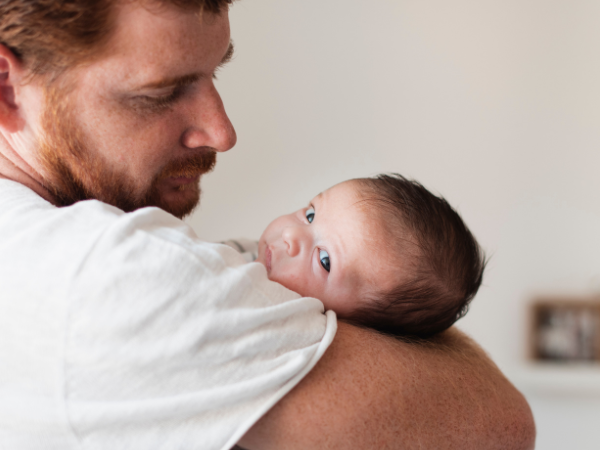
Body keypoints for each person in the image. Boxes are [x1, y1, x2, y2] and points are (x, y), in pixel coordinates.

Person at [0, 1, 535, 449]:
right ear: (6, 87)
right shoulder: (105, 276)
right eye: (161, 92)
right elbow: (501, 421)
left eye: (215, 73)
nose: (222, 131)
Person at [228, 174, 486, 339]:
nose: (291, 235)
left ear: (350, 328)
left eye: (324, 260)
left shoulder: (275, 324)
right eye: (310, 215)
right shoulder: (242, 250)